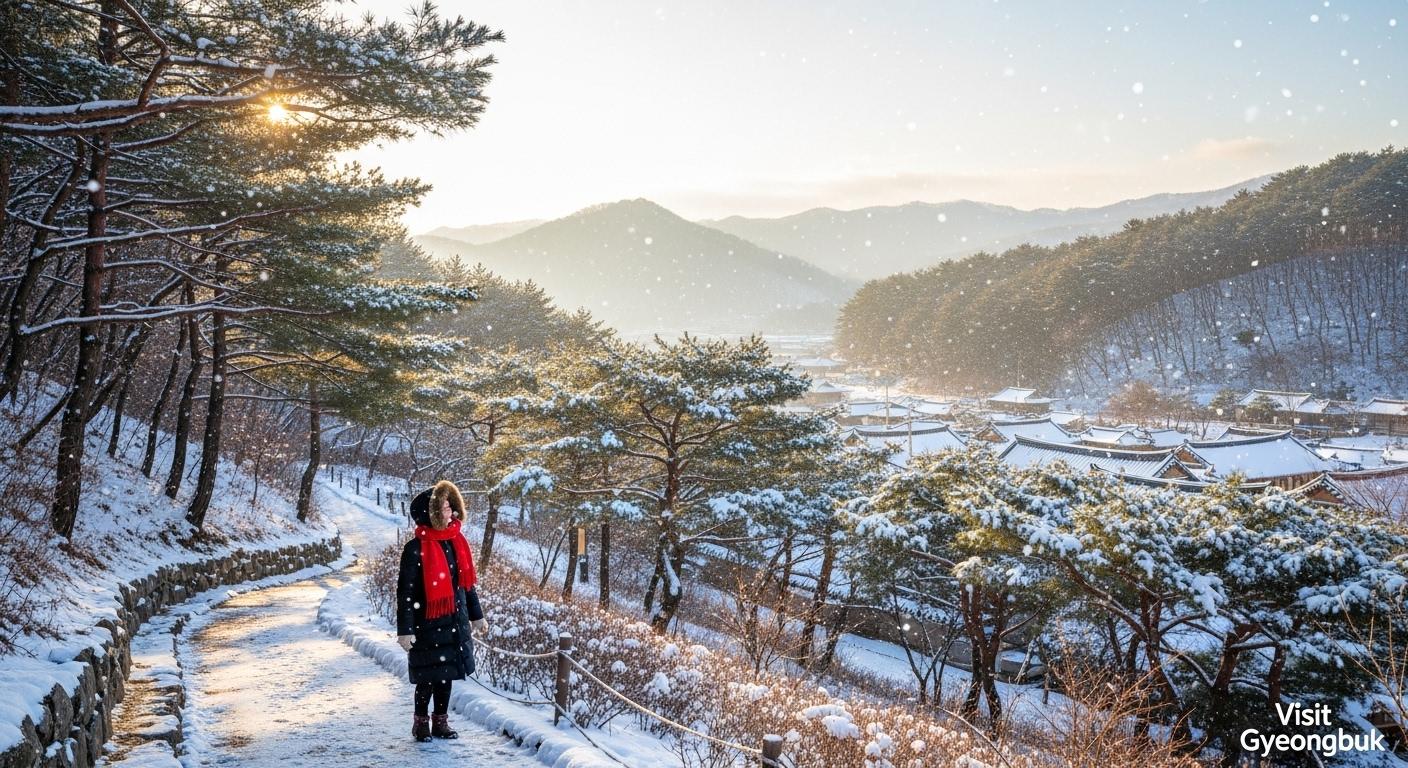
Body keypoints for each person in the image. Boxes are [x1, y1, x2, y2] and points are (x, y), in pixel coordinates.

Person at [397, 479, 487, 742]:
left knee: (446, 677)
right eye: (445, 507)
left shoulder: (456, 541)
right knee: (427, 677)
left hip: (453, 622)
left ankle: (441, 721)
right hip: (427, 624)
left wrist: (476, 614)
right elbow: (406, 593)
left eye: (451, 506)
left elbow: (466, 584)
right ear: (432, 512)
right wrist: (405, 630)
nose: (451, 511)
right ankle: (421, 722)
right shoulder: (414, 549)